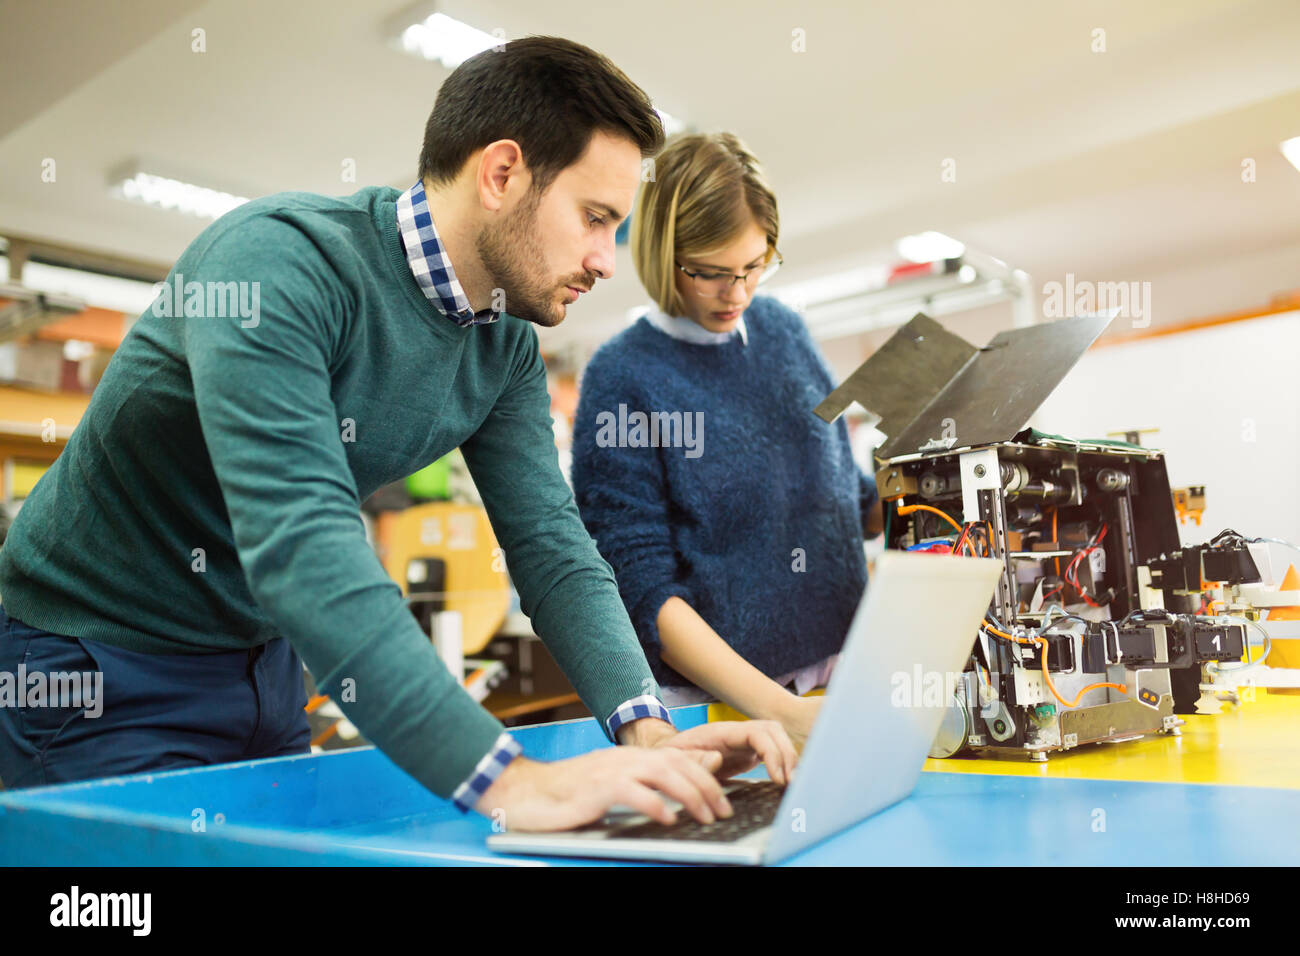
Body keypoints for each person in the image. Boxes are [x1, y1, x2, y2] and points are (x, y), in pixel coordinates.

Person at [0, 39, 798, 829]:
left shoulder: (504, 344)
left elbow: (553, 547)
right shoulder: (276, 263)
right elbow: (302, 544)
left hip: (263, 665)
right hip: (94, 663)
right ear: (502, 173)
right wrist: (513, 784)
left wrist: (646, 730)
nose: (604, 260)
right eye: (595, 219)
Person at [571, 132, 883, 751]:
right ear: (663, 253)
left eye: (753, 267)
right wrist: (779, 713)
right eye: (710, 274)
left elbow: (849, 497)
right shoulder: (624, 375)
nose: (736, 293)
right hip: (726, 711)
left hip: (844, 678)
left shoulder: (784, 331)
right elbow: (640, 588)